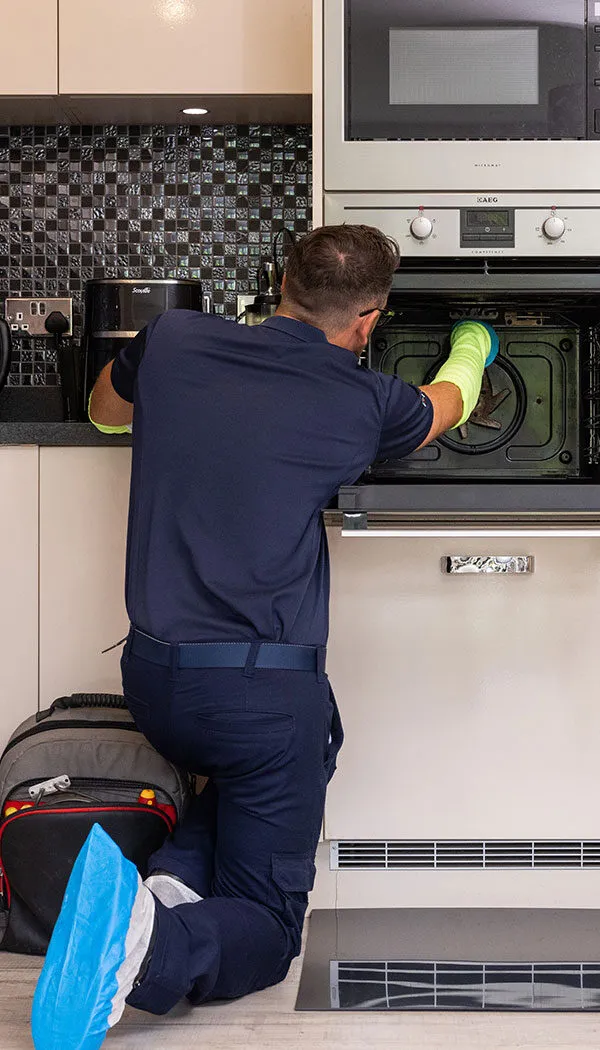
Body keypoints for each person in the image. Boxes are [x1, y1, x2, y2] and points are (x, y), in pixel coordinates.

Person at [31, 224, 498, 1050]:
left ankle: (162, 897)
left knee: (307, 739)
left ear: (281, 284)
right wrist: (474, 342)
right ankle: (148, 952)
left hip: (156, 679)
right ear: (367, 324)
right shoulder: (360, 400)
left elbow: (105, 412)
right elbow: (447, 407)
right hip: (256, 696)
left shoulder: (173, 341)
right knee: (274, 925)